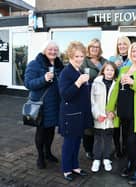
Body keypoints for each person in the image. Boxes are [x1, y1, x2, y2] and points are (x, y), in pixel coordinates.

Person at [107, 42, 136, 185]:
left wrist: (132, 82)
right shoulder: (124, 69)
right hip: (124, 111)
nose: (135, 53)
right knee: (126, 141)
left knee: (132, 141)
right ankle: (130, 164)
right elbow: (115, 91)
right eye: (133, 51)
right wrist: (110, 108)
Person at [24, 40, 64, 169]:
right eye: (50, 49)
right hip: (41, 105)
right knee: (41, 132)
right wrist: (44, 79)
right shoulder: (35, 64)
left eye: (55, 50)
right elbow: (28, 84)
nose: (53, 52)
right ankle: (40, 156)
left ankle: (48, 153)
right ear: (44, 50)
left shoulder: (59, 65)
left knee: (51, 130)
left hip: (55, 104)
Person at [58, 41, 91, 181]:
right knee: (69, 143)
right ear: (70, 56)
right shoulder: (66, 72)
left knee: (77, 142)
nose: (79, 59)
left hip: (80, 114)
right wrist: (78, 83)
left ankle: (75, 166)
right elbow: (65, 94)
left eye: (81, 56)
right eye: (76, 56)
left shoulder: (79, 70)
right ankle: (66, 169)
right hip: (70, 115)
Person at [80, 38, 108, 160]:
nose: (94, 49)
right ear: (89, 49)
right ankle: (88, 149)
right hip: (88, 95)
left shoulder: (104, 60)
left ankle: (100, 148)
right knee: (88, 124)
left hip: (102, 96)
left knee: (100, 121)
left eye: (97, 47)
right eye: (92, 47)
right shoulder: (83, 62)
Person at [90, 62, 118, 173]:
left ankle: (106, 159)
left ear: (115, 72)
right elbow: (92, 101)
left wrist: (114, 113)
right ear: (103, 71)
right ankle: (96, 159)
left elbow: (118, 102)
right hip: (99, 117)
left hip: (110, 118)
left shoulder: (116, 84)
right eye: (107, 70)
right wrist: (97, 115)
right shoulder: (96, 83)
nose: (109, 72)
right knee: (97, 139)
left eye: (112, 70)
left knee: (108, 139)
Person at [109, 36, 132, 158]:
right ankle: (117, 148)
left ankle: (125, 147)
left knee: (126, 124)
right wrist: (114, 66)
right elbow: (107, 74)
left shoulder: (132, 59)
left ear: (128, 46)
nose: (122, 46)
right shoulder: (112, 59)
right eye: (119, 44)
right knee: (115, 125)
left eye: (124, 44)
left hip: (127, 95)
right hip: (115, 94)